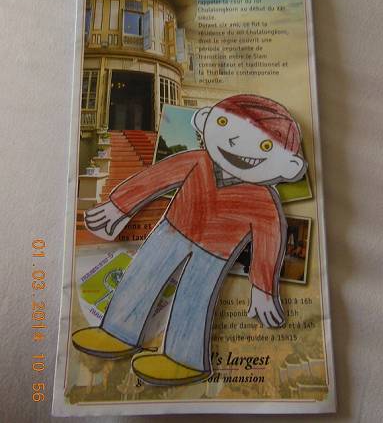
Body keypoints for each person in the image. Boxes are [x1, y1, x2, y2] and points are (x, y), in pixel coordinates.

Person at [72, 94, 307, 386]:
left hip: (214, 254)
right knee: (142, 275)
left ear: (289, 167)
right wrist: (118, 206)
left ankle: (184, 359)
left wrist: (263, 288)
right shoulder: (197, 160)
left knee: (194, 300)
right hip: (171, 231)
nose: (235, 141)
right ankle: (116, 331)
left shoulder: (263, 200)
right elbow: (156, 177)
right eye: (225, 124)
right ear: (205, 120)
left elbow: (269, 243)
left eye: (266, 146)